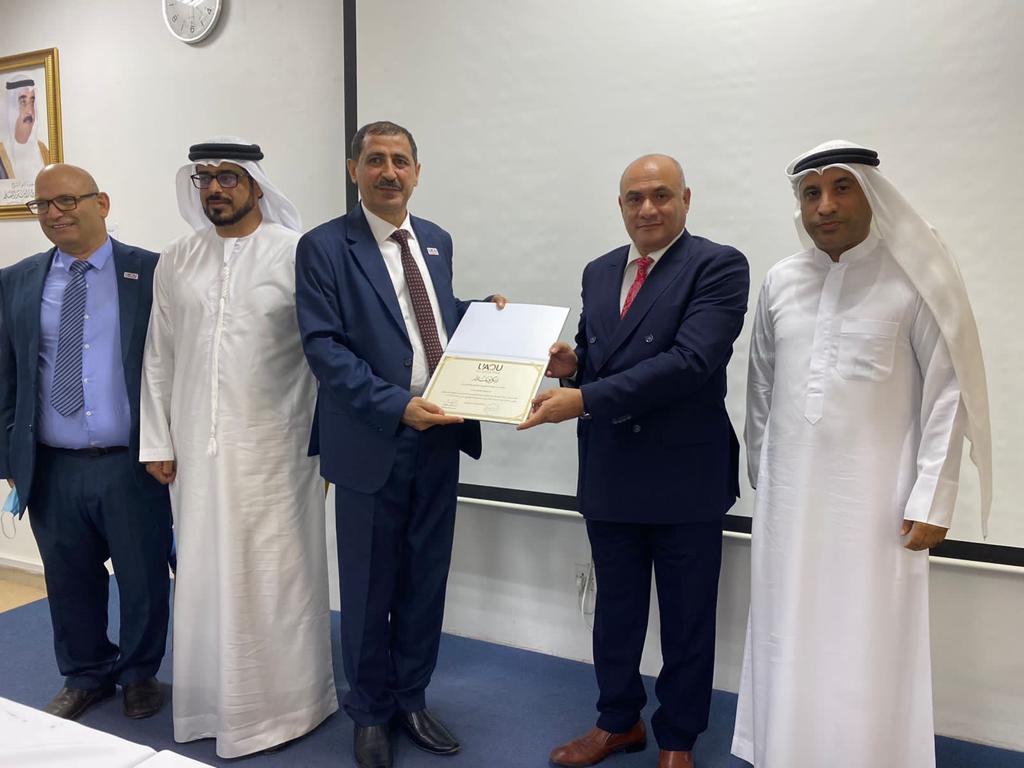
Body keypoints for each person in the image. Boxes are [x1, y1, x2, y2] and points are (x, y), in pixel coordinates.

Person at [731, 140, 992, 768]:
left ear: (872, 192)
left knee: (866, 635)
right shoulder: (781, 280)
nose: (825, 205)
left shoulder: (913, 276)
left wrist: (934, 496)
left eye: (841, 187)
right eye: (811, 192)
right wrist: (766, 473)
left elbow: (948, 390)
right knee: (787, 626)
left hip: (880, 505)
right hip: (790, 501)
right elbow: (761, 382)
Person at [519, 154, 750, 768]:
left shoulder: (718, 266)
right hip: (612, 466)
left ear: (686, 199)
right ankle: (617, 721)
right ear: (620, 205)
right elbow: (604, 358)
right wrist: (575, 367)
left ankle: (677, 739)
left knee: (687, 617)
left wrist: (585, 398)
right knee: (615, 610)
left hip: (685, 474)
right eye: (634, 198)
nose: (648, 208)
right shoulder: (599, 271)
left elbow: (689, 363)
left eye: (661, 195)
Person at [295, 120, 505, 768]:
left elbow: (434, 316)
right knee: (368, 586)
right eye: (376, 160)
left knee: (424, 579)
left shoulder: (435, 240)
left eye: (401, 161)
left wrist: (491, 317)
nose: (390, 172)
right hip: (373, 439)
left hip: (440, 434)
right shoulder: (324, 247)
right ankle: (369, 712)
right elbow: (324, 347)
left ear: (417, 171)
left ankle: (412, 697)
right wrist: (396, 407)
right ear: (353, 170)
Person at [139, 138, 338, 758]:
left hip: (280, 451)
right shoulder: (178, 258)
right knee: (202, 574)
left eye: (228, 177)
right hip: (197, 452)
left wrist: (328, 445)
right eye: (204, 179)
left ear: (255, 185)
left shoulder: (296, 253)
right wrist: (157, 439)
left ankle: (288, 707)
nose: (215, 189)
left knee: (279, 576)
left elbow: (326, 357)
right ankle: (210, 706)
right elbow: (159, 354)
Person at [0, 164, 171, 721]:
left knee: (143, 576)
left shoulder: (151, 272)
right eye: (43, 205)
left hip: (131, 462)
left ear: (102, 202)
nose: (55, 214)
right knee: (68, 576)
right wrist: (10, 455)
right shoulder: (17, 280)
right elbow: (6, 374)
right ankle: (86, 673)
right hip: (53, 465)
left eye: (68, 201)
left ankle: (140, 673)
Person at [0, 75, 50, 180]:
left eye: (32, 102)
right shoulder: (2, 154)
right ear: (10, 110)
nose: (30, 111)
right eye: (23, 102)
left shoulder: (43, 150)